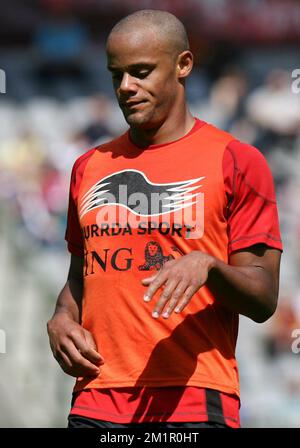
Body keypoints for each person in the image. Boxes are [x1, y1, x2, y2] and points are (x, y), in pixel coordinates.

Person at [47, 9, 282, 429]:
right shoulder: (89, 166)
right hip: (95, 400)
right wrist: (63, 317)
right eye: (116, 74)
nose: (126, 88)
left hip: (192, 400)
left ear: (183, 65)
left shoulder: (236, 160)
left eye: (140, 72)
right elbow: (80, 276)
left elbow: (263, 298)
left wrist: (209, 267)